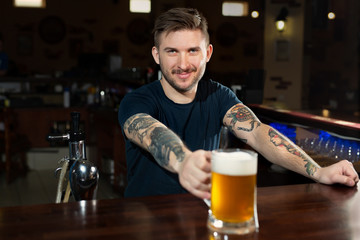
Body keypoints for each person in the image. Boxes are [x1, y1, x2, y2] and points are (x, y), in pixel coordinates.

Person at [118, 8, 359, 199]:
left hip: (202, 213)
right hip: (146, 218)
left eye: (193, 50)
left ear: (208, 53)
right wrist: (184, 161)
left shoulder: (218, 95)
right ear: (156, 55)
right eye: (172, 51)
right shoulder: (137, 100)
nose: (183, 64)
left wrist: (318, 171)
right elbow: (151, 134)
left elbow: (258, 133)